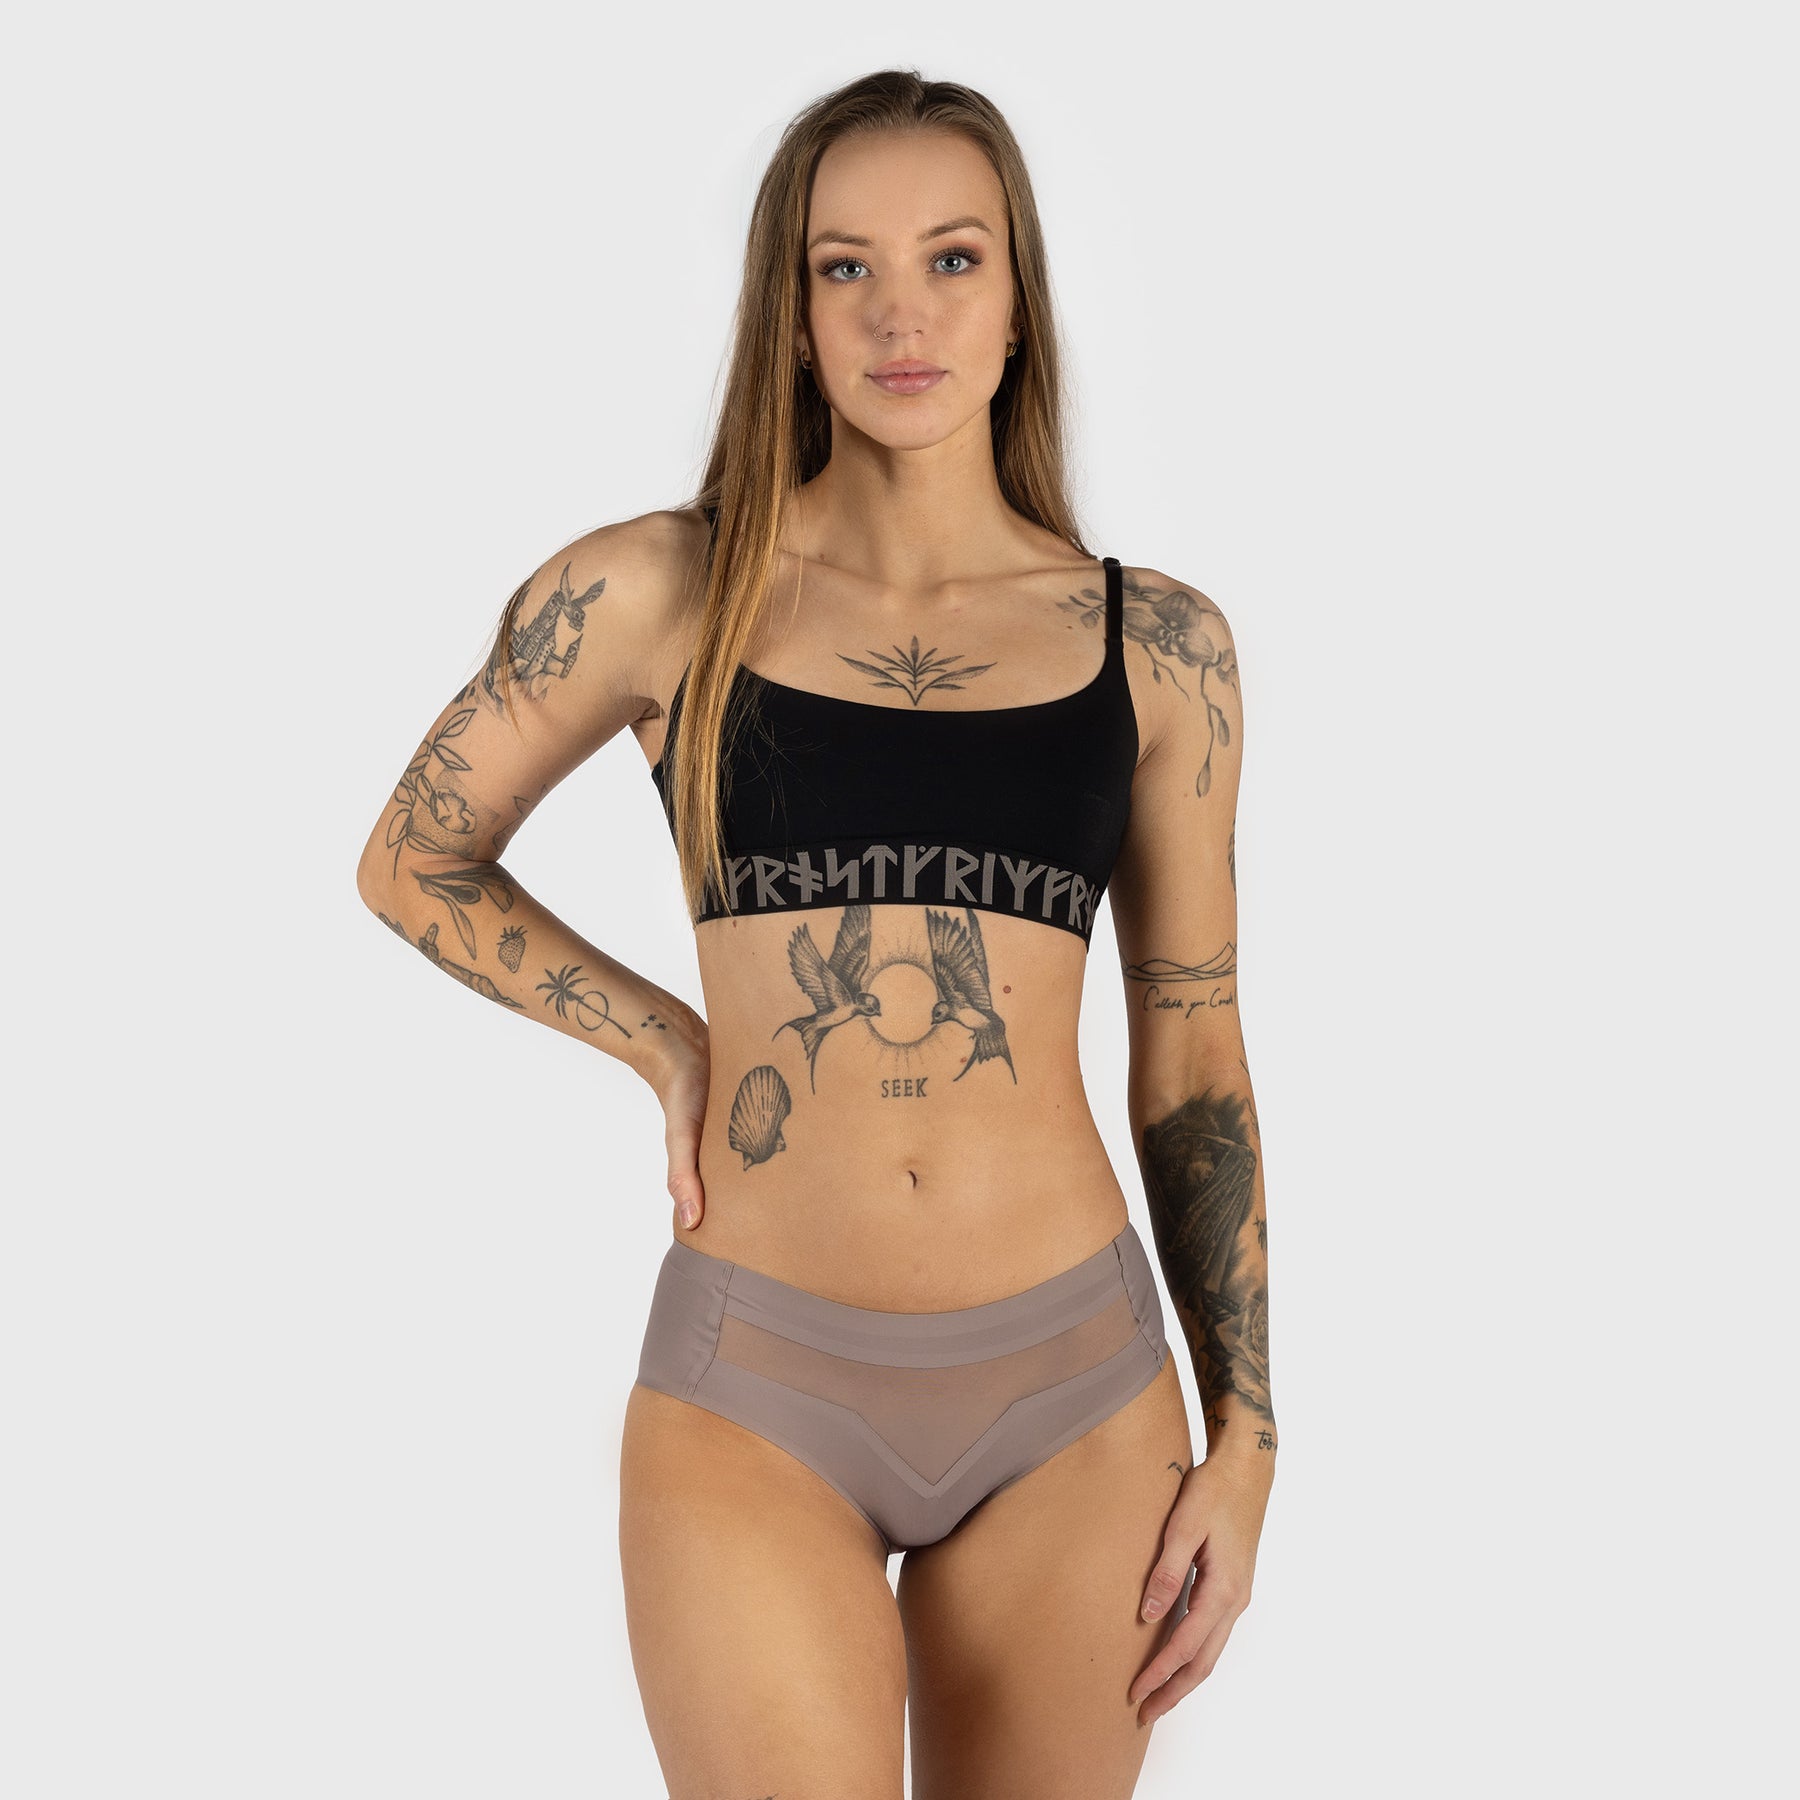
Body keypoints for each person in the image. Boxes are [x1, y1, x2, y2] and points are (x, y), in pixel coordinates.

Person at [355, 67, 1276, 1800]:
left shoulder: (1160, 647)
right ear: (788, 310)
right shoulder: (658, 591)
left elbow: (1194, 1053)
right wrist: (663, 1039)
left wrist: (1250, 1438)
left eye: (952, 259)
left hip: (1077, 1400)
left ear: (1020, 298)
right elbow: (414, 857)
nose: (899, 314)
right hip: (755, 1391)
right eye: (844, 267)